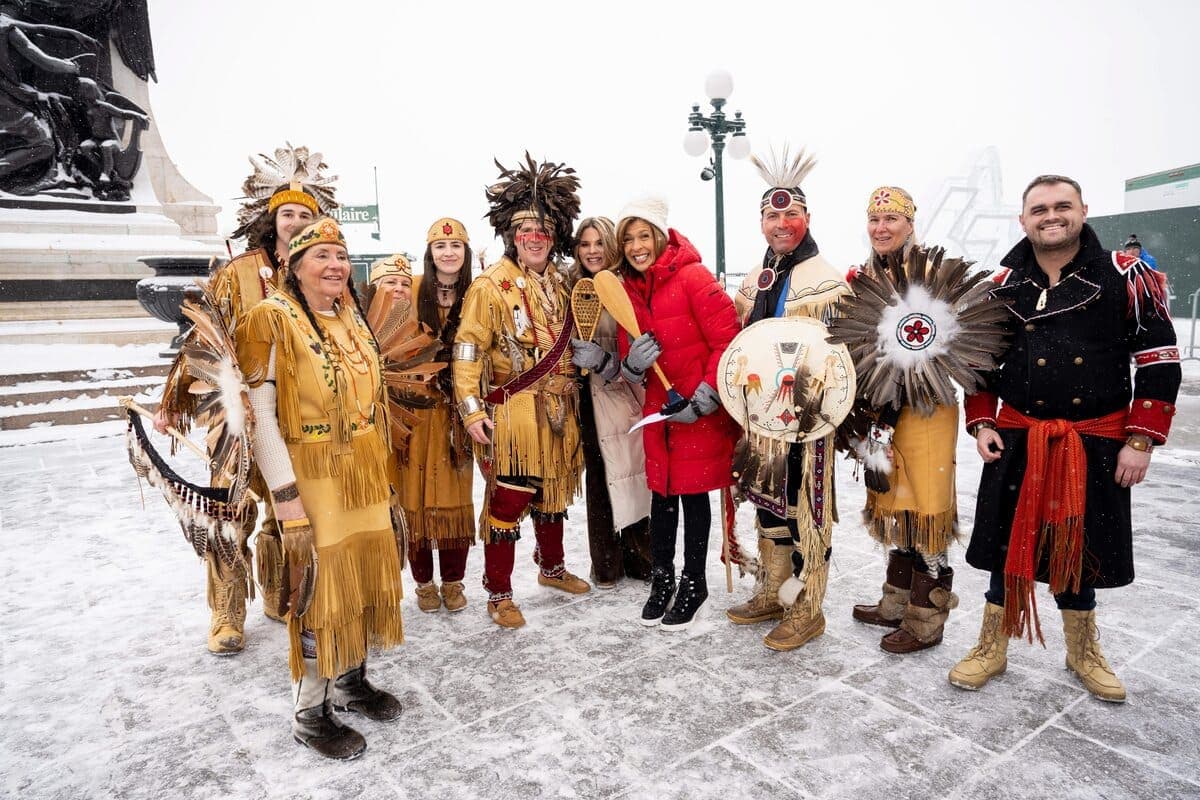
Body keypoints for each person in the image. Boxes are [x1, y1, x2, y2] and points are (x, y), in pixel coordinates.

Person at [950, 175, 1181, 702]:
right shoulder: (1001, 282)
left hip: (1094, 441)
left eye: (1061, 206)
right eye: (1039, 209)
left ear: (1082, 211)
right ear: (1023, 220)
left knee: (1079, 552)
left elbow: (1158, 360)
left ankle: (1083, 651)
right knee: (1008, 548)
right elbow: (980, 362)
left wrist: (1141, 439)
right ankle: (992, 645)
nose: (1050, 216)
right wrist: (982, 420)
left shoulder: (1126, 274)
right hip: (1017, 438)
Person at [156, 144, 335, 654]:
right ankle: (227, 614)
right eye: (288, 214)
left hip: (300, 416)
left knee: (292, 510)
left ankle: (281, 596)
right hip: (237, 416)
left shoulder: (318, 275)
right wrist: (174, 399)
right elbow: (201, 335)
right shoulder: (238, 274)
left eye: (306, 215)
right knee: (231, 515)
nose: (296, 221)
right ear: (270, 219)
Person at [236, 217, 405, 759]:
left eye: (340, 254)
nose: (334, 265)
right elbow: (258, 415)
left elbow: (372, 406)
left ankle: (351, 681)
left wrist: (387, 482)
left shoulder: (351, 315)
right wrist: (285, 498)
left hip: (364, 471)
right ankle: (311, 711)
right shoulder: (271, 319)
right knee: (319, 588)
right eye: (320, 256)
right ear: (293, 266)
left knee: (360, 575)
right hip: (311, 475)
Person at [453, 154, 589, 629]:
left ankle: (551, 569)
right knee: (510, 498)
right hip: (514, 409)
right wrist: (472, 411)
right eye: (526, 230)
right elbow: (467, 351)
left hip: (559, 403)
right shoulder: (490, 286)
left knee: (553, 493)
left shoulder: (562, 281)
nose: (536, 238)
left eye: (545, 231)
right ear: (512, 236)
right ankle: (499, 593)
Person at [730, 150, 851, 650]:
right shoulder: (755, 279)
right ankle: (774, 592)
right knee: (767, 506)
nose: (781, 224)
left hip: (809, 421)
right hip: (764, 418)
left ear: (807, 218)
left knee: (806, 512)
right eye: (772, 216)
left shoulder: (827, 281)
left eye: (790, 215)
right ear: (761, 222)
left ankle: (807, 607)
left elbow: (843, 359)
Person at [612, 196, 741, 630]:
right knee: (662, 497)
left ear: (660, 235)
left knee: (692, 494)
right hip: (658, 411)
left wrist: (706, 397)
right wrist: (632, 363)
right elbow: (630, 352)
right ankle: (662, 578)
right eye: (627, 238)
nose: (636, 246)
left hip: (696, 409)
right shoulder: (628, 288)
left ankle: (694, 581)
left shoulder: (693, 277)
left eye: (643, 235)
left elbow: (728, 340)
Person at [848, 186, 961, 654]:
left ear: (911, 224)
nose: (882, 228)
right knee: (894, 499)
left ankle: (925, 618)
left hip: (927, 407)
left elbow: (958, 335)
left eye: (892, 219)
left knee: (926, 507)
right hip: (880, 408)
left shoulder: (933, 273)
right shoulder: (863, 276)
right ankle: (895, 602)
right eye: (875, 220)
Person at [568, 217, 653, 587]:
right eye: (585, 244)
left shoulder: (627, 286)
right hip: (588, 399)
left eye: (599, 242)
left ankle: (640, 555)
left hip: (624, 395)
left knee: (633, 472)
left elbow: (642, 344)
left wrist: (610, 363)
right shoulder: (572, 287)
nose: (592, 251)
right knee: (600, 478)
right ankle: (605, 560)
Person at [398, 219, 476, 613]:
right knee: (413, 496)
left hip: (456, 412)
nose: (448, 252)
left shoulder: (476, 294)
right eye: (441, 246)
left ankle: (453, 581)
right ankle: (423, 583)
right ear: (430, 254)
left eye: (456, 246)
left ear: (466, 253)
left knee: (452, 494)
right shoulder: (410, 289)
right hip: (415, 410)